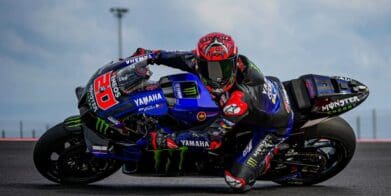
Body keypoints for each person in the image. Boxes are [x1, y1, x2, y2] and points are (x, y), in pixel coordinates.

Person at [131, 32, 294, 191]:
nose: (216, 75)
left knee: (236, 180)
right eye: (208, 67)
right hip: (261, 100)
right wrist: (150, 55)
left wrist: (169, 140)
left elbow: (212, 139)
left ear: (234, 62)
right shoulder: (203, 60)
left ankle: (267, 158)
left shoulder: (239, 99)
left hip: (274, 126)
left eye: (222, 68)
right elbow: (177, 58)